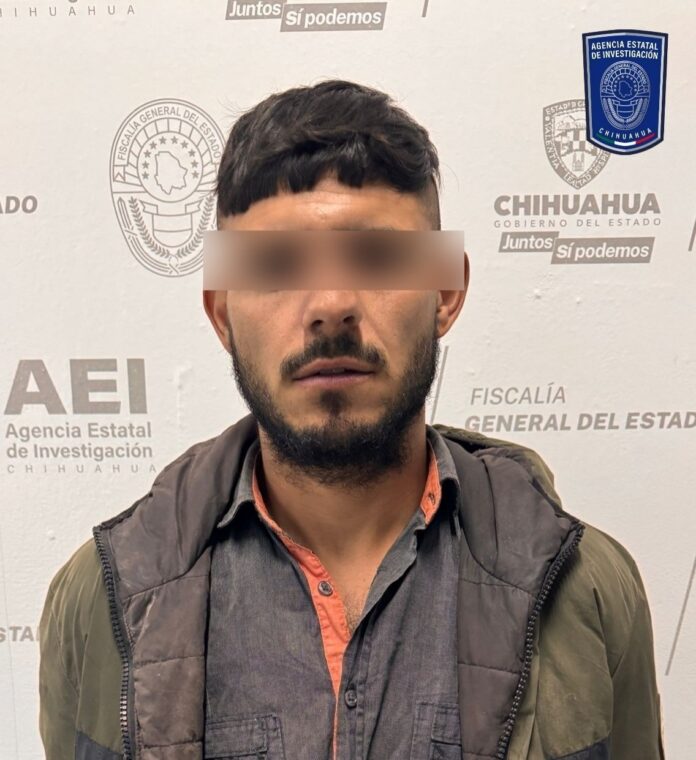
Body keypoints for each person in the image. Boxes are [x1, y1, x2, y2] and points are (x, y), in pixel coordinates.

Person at [38, 79, 665, 760]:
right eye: (277, 264)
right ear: (222, 312)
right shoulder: (102, 597)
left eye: (376, 257)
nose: (331, 303)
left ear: (446, 291)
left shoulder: (587, 588)